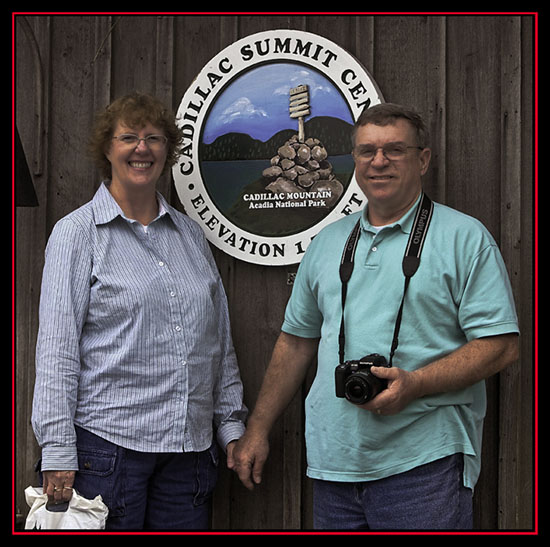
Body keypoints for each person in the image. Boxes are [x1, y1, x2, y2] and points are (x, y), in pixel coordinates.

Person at [230, 103, 519, 530]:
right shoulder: (327, 243)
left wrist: (416, 384)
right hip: (334, 466)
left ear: (422, 159)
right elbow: (296, 341)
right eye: (366, 151)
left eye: (394, 150)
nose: (378, 161)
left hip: (424, 466)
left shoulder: (465, 238)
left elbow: (501, 347)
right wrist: (257, 429)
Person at [31, 92, 247, 530]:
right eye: (128, 137)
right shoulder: (77, 234)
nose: (142, 148)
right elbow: (57, 350)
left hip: (189, 454)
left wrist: (231, 427)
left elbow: (218, 343)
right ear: (107, 149)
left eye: (153, 138)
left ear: (167, 150)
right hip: (108, 453)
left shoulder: (189, 234)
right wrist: (57, 451)